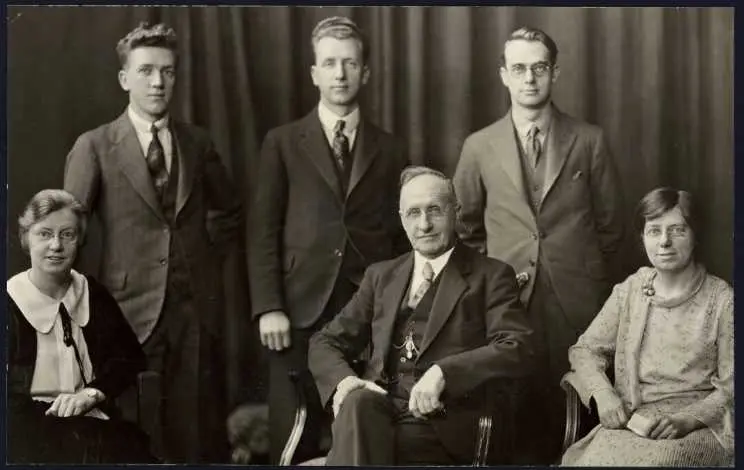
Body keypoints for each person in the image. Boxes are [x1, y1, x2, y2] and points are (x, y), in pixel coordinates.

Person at [63, 22, 241, 463]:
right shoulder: (95, 146)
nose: (158, 81)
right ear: (125, 79)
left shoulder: (198, 143)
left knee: (193, 428)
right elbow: (69, 234)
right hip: (125, 309)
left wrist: (201, 257)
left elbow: (231, 212)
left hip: (193, 309)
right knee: (134, 425)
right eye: (145, 71)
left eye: (167, 71)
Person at [452, 26, 624, 462]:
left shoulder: (589, 140)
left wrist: (581, 273)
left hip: (576, 299)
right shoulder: (478, 146)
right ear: (504, 76)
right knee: (512, 415)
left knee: (575, 413)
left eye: (539, 68)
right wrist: (496, 273)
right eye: (519, 69)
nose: (530, 78)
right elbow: (466, 227)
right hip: (507, 299)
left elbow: (611, 228)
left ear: (555, 72)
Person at [248, 16, 409, 463]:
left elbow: (401, 240)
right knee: (292, 432)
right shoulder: (282, 143)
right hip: (297, 310)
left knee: (362, 426)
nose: (340, 74)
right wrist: (270, 306)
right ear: (314, 73)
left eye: (350, 63)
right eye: (330, 64)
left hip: (368, 308)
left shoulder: (391, 148)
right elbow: (262, 230)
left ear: (366, 72)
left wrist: (396, 305)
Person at [308, 166, 534, 465]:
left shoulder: (490, 276)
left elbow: (516, 347)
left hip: (442, 421)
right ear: (402, 220)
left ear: (456, 212)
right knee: (358, 402)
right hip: (379, 412)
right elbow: (325, 342)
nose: (424, 224)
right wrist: (345, 382)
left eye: (435, 211)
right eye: (413, 213)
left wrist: (445, 373)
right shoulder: (381, 276)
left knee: (361, 438)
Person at [561, 187, 734, 466]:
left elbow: (733, 386)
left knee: (662, 462)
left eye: (677, 230)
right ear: (643, 238)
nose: (664, 242)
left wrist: (688, 420)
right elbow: (584, 351)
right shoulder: (630, 290)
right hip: (633, 422)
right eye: (654, 231)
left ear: (695, 236)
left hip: (697, 427)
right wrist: (604, 395)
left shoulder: (722, 300)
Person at [7, 189, 155, 464]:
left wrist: (92, 393)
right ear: (25, 238)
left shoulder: (91, 292)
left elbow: (130, 358)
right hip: (28, 429)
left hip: (93, 421)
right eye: (44, 234)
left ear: (80, 241)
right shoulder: (9, 299)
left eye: (67, 234)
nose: (56, 245)